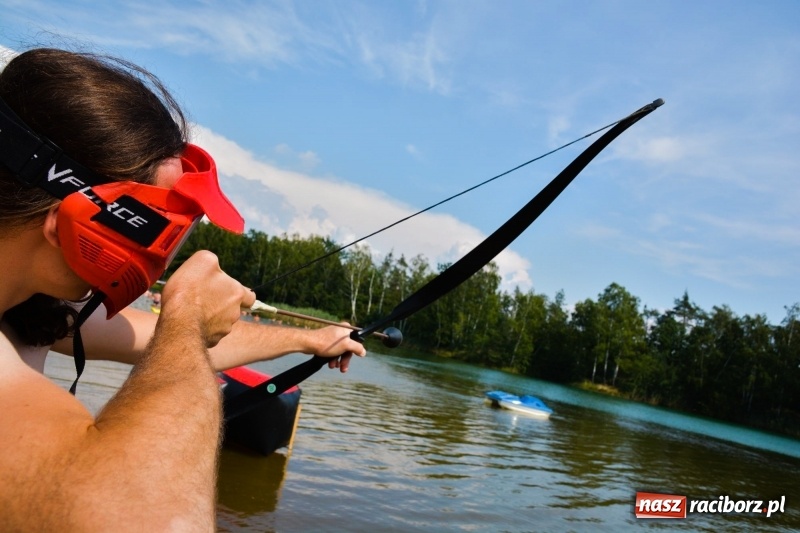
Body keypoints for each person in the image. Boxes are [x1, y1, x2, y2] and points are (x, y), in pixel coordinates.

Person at [0, 48, 366, 531]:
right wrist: (188, 318)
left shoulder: (27, 309)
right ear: (75, 219)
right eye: (157, 228)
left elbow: (156, 340)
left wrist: (308, 340)